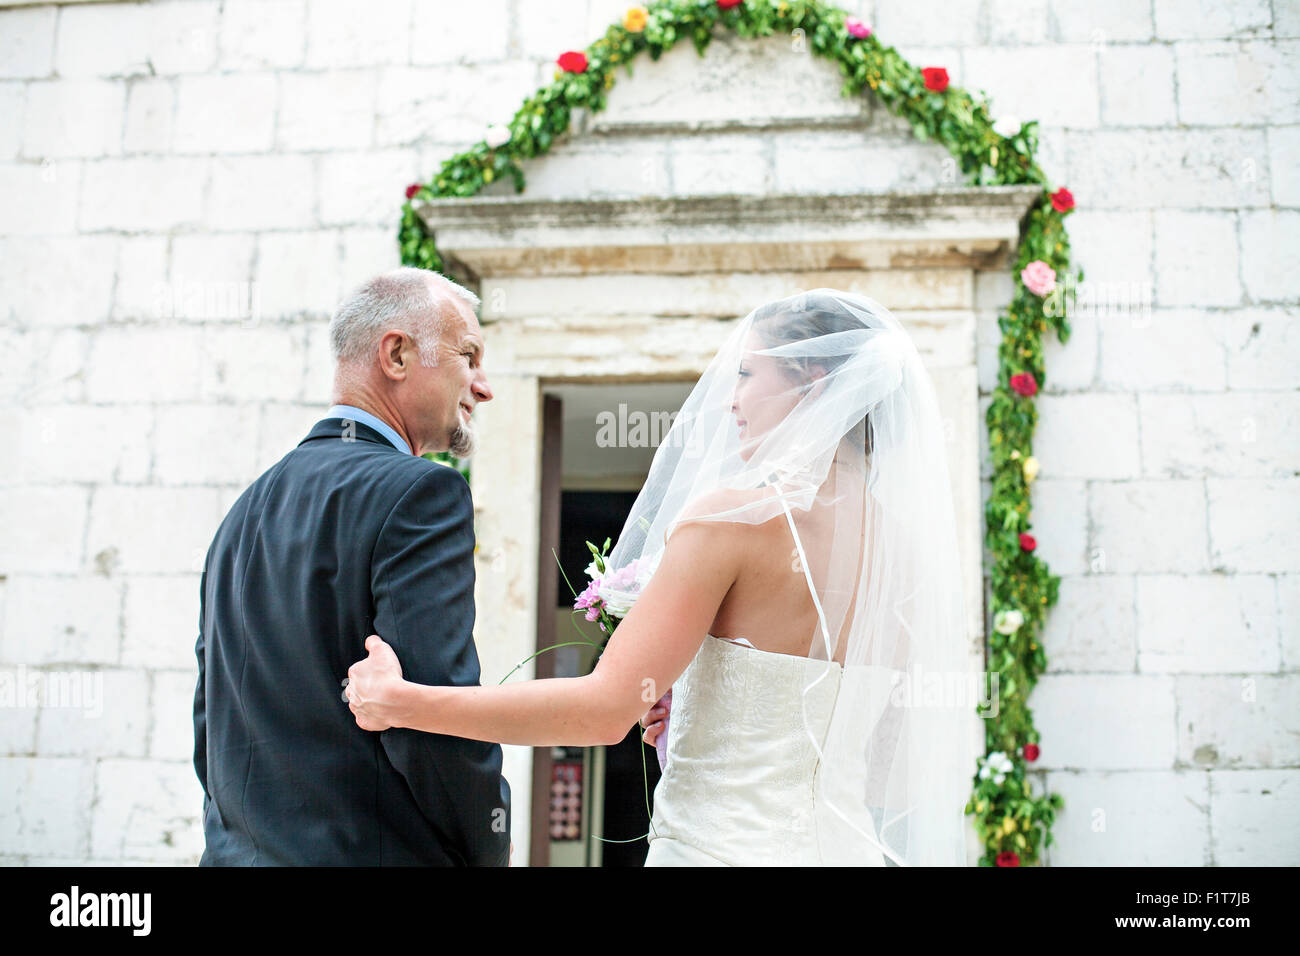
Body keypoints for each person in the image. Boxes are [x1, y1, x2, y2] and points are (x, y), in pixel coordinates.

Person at [345, 288, 974, 866]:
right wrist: (711, 715)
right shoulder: (906, 554)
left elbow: (600, 712)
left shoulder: (735, 517)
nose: (732, 399)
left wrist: (403, 702)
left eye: (748, 375)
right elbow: (893, 770)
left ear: (812, 382)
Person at [193, 266, 512, 865]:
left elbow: (209, 724)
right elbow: (434, 715)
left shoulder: (239, 516)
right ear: (396, 354)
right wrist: (491, 844)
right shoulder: (424, 494)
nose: (483, 385)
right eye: (468, 355)